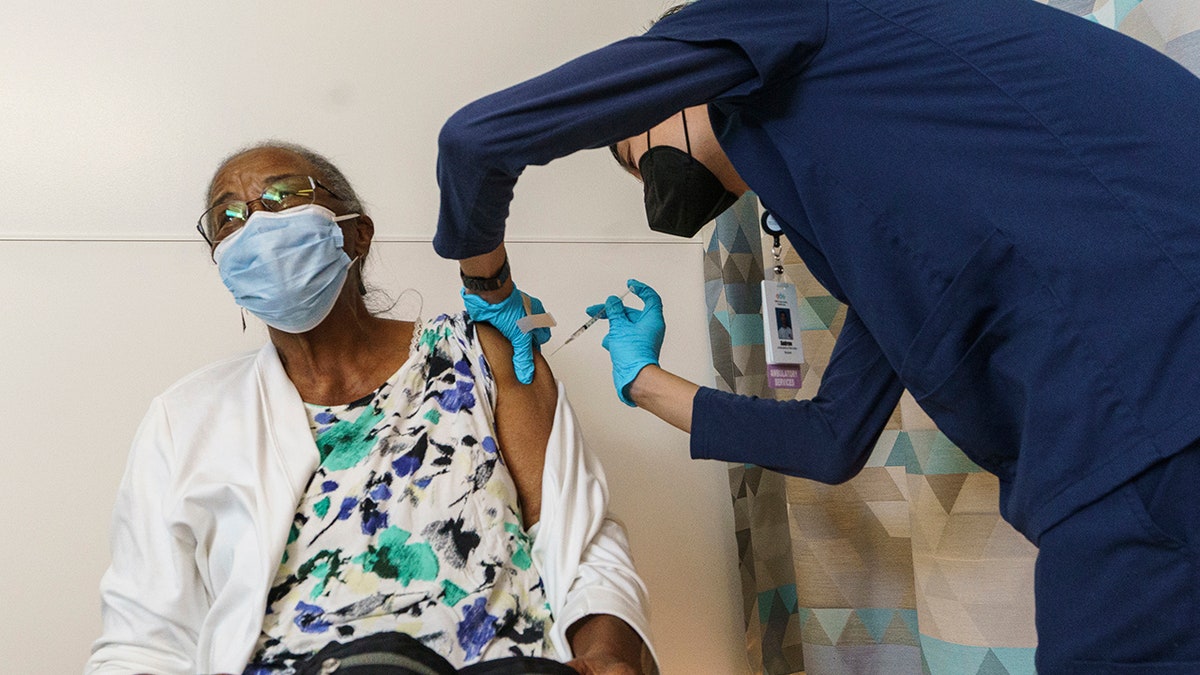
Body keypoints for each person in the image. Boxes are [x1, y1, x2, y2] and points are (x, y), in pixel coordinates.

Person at [433, 0, 1200, 670]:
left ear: (675, 85)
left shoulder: (785, 16)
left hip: (1140, 400)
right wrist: (644, 380)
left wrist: (489, 287)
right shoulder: (866, 201)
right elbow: (833, 438)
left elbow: (476, 139)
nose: (654, 192)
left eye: (641, 158)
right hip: (1139, 415)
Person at [86, 142, 656, 675]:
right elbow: (144, 637)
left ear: (357, 235)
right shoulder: (185, 417)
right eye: (228, 218)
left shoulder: (477, 352)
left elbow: (578, 535)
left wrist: (608, 654)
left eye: (284, 197)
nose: (256, 223)